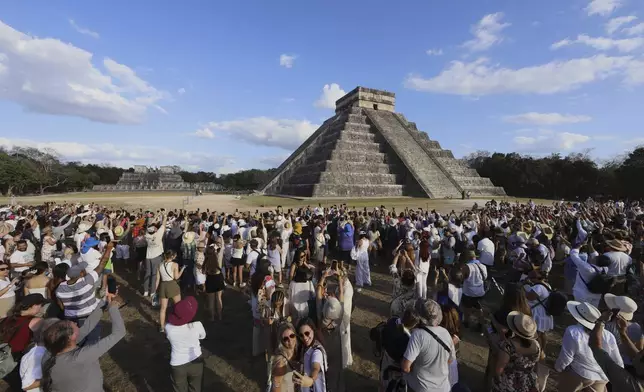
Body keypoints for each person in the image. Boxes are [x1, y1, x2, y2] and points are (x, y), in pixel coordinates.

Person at [41, 295, 126, 392]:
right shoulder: (80, 357)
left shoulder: (50, 354)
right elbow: (119, 332)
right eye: (74, 325)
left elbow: (87, 327)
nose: (77, 324)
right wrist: (114, 308)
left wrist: (104, 302)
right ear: (71, 337)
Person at [555, 301, 623, 392]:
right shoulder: (608, 335)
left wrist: (559, 368)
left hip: (581, 373)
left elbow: (567, 356)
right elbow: (617, 360)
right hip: (601, 376)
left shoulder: (573, 331)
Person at [56, 241, 114, 345]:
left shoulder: (60, 288)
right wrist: (109, 249)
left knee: (76, 341)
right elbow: (103, 263)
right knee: (92, 341)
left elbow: (61, 305)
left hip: (71, 319)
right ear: (81, 273)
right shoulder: (87, 281)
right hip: (89, 316)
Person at [401, 298, 456, 392]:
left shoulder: (418, 335)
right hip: (443, 388)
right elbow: (450, 360)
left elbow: (405, 367)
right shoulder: (445, 332)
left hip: (421, 388)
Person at [0, 294, 47, 390]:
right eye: (41, 305)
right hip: (19, 361)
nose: (41, 308)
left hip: (5, 359)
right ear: (34, 306)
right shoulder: (36, 321)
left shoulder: (6, 319)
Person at [589, 309, 644, 392]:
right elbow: (635, 354)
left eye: (640, 354)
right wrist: (622, 332)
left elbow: (595, 346)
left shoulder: (627, 382)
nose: (638, 351)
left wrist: (601, 321)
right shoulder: (641, 368)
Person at [491, 312, 541, 392]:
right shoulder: (537, 345)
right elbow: (536, 365)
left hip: (511, 382)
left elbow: (499, 369)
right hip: (529, 381)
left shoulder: (508, 345)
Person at [165, 296, 206, 392]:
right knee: (196, 388)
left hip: (178, 365)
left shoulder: (168, 328)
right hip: (196, 360)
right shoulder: (197, 325)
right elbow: (202, 336)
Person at [603, 294, 643, 368]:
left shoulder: (606, 325)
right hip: (629, 365)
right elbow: (640, 349)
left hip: (615, 365)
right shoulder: (636, 327)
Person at [523, 270, 554, 360]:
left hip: (538, 313)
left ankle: (537, 351)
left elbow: (529, 297)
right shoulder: (547, 285)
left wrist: (524, 287)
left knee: (536, 334)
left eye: (531, 278)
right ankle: (542, 351)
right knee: (542, 333)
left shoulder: (538, 287)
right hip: (544, 312)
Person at [155, 250, 186, 332]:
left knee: (163, 308)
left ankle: (162, 327)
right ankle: (181, 322)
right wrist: (182, 269)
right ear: (172, 256)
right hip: (172, 285)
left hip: (163, 286)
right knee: (178, 305)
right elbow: (176, 277)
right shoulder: (175, 264)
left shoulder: (159, 265)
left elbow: (157, 279)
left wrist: (155, 290)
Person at [295, 318, 328, 392]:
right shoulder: (304, 348)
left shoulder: (316, 352)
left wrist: (311, 380)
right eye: (301, 335)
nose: (305, 338)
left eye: (307, 333)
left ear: (313, 330)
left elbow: (315, 367)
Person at [461, 250, 488, 331]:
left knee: (467, 308)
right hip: (480, 292)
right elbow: (485, 277)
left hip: (469, 292)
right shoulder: (483, 266)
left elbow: (462, 278)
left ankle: (466, 323)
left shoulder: (466, 267)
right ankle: (480, 324)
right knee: (478, 308)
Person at [270, 322, 300, 392]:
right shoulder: (281, 362)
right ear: (281, 341)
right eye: (286, 338)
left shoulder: (298, 353)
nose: (290, 340)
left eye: (292, 335)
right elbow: (276, 389)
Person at [144, 213, 167, 298]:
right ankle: (152, 292)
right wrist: (165, 216)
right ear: (155, 230)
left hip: (148, 256)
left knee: (147, 273)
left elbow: (150, 225)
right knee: (154, 275)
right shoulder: (157, 235)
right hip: (156, 256)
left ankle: (146, 291)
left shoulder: (146, 235)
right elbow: (163, 225)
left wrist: (157, 215)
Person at [203, 239, 225, 321]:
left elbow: (204, 271)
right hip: (218, 278)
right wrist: (221, 239)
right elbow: (222, 248)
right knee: (219, 298)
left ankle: (212, 317)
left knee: (211, 300)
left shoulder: (206, 260)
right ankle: (220, 316)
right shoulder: (218, 258)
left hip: (210, 279)